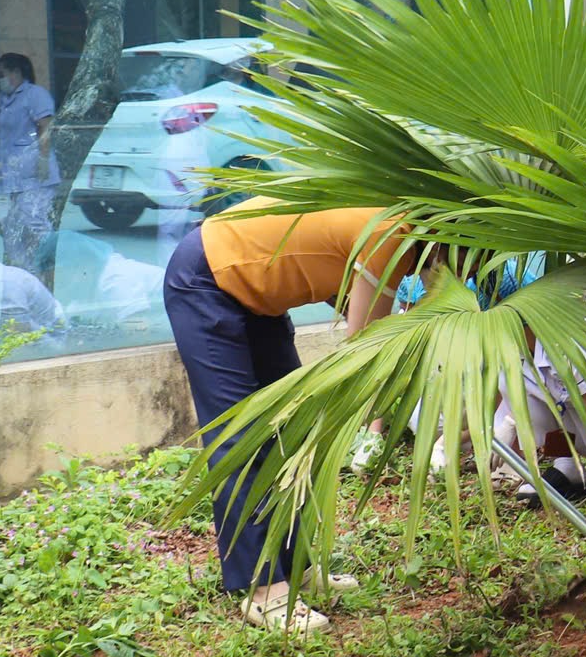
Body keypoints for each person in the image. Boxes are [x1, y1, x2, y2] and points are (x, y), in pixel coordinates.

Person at [164, 199, 420, 632]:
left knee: (290, 432)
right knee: (240, 438)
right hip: (206, 278)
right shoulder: (392, 232)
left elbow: (356, 308)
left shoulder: (397, 233)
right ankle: (263, 589)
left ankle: (295, 567)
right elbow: (364, 346)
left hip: (259, 298)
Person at [0, 53, 59, 273]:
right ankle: (23, 274)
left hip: (34, 174)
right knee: (12, 229)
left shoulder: (35, 95)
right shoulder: (4, 99)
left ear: (16, 72)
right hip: (12, 175)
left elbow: (45, 127)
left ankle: (47, 266)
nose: (0, 80)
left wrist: (43, 158)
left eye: (2, 74)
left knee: (35, 222)